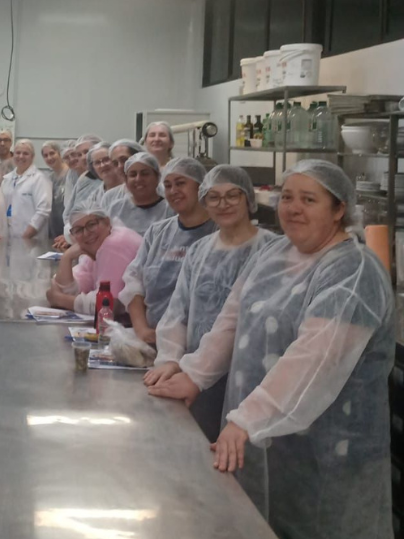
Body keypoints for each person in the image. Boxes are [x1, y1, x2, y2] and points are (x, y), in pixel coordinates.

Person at [148, 160, 394, 539]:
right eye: (287, 197)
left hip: (325, 451)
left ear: (339, 209)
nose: (293, 208)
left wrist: (248, 419)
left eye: (309, 199)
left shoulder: (353, 272)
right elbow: (231, 320)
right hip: (262, 439)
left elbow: (315, 359)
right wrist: (194, 374)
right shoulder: (274, 253)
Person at [142, 165, 276, 441]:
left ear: (249, 199)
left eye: (232, 196)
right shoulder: (200, 251)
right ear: (204, 202)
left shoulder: (272, 250)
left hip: (250, 375)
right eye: (213, 197)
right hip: (196, 375)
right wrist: (169, 359)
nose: (223, 204)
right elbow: (178, 311)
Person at [119, 157, 216, 346]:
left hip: (198, 346)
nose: (173, 191)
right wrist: (142, 330)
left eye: (181, 184)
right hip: (153, 339)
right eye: (168, 185)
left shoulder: (218, 232)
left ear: (201, 187)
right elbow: (134, 282)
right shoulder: (158, 233)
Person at [46, 202, 142, 314]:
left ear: (107, 222)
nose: (86, 233)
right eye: (78, 230)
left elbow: (108, 305)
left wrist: (60, 299)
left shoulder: (114, 244)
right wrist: (67, 258)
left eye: (91, 225)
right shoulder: (95, 248)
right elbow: (68, 290)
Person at [102, 152, 174, 236]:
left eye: (145, 174)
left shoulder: (170, 209)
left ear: (157, 177)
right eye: (133, 175)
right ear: (126, 180)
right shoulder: (116, 208)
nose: (138, 179)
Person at [61, 142, 120, 242]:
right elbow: (77, 218)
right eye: (97, 162)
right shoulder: (95, 194)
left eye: (106, 160)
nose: (102, 165)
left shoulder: (125, 191)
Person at [1, 139, 52, 240]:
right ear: (13, 155)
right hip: (9, 238)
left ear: (32, 157)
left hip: (32, 239)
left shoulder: (39, 179)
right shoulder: (6, 179)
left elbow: (43, 211)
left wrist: (26, 236)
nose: (21, 156)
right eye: (18, 153)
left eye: (25, 153)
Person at [58, 134, 104, 247]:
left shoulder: (107, 180)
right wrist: (72, 234)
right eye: (80, 154)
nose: (83, 157)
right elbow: (69, 211)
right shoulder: (83, 179)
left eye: (87, 152)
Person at [42, 140, 70, 240]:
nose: (49, 158)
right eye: (45, 155)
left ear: (59, 153)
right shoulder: (49, 178)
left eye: (52, 153)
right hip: (54, 228)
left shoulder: (70, 174)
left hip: (69, 229)